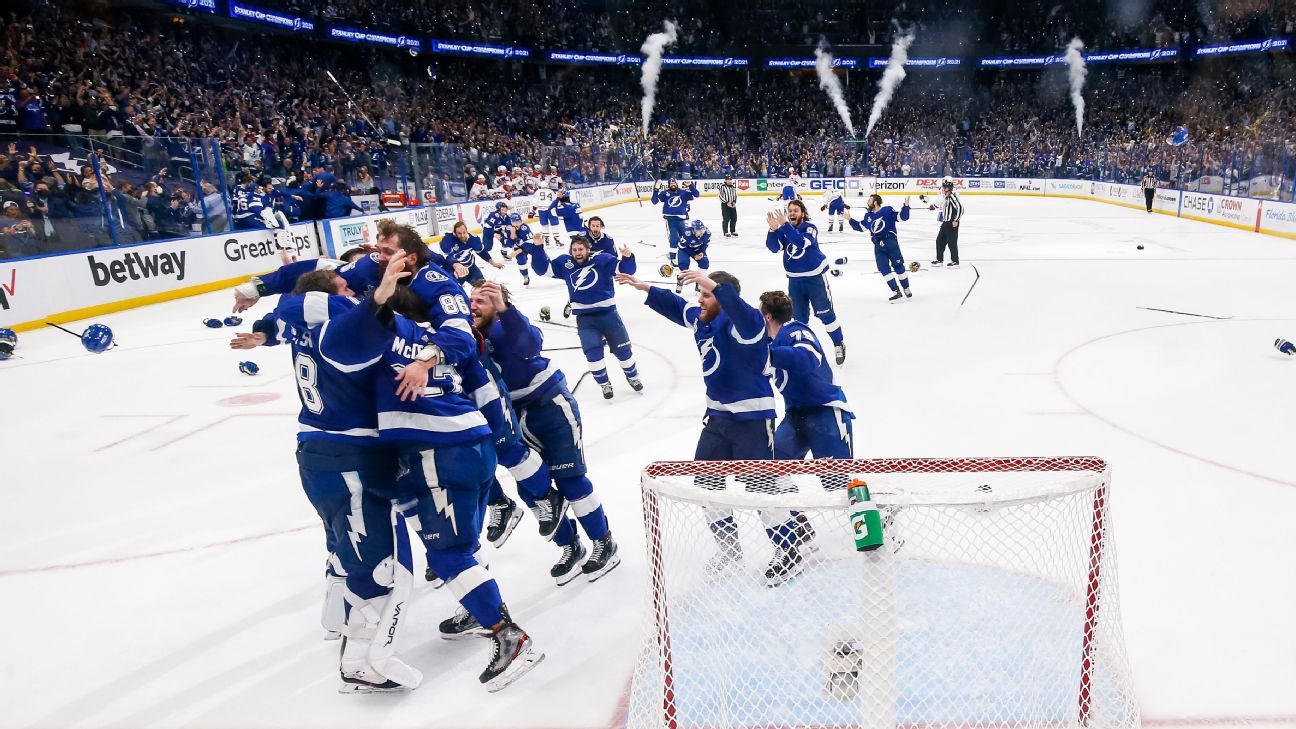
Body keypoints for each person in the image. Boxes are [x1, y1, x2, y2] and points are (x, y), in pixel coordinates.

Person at [337, 270, 545, 692]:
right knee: (457, 544)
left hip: (439, 451)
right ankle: (478, 607)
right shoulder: (437, 339)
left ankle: (509, 636)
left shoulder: (383, 335)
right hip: (472, 445)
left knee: (447, 554)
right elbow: (478, 378)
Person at [231, 265, 419, 693]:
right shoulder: (338, 325)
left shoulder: (302, 324)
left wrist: (263, 327)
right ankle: (360, 663)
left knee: (339, 540)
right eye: (343, 285)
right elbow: (328, 302)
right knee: (377, 560)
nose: (350, 287)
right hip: (349, 453)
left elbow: (291, 309)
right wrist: (373, 297)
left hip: (314, 450)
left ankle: (335, 617)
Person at [618, 268, 806, 586]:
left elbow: (745, 314)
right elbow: (678, 308)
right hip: (717, 420)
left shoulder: (744, 326)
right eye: (701, 295)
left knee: (761, 490)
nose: (700, 301)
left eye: (705, 295)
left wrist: (715, 287)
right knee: (706, 485)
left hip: (752, 422)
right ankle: (730, 550)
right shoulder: (702, 320)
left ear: (721, 296)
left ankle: (788, 551)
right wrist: (646, 288)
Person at [470, 281, 621, 584]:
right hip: (513, 415)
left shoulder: (508, 325)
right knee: (533, 490)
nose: (474, 305)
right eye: (471, 300)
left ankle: (605, 542)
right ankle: (570, 546)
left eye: (483, 301)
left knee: (570, 479)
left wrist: (505, 310)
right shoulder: (471, 337)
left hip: (550, 405)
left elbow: (529, 343)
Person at [523, 234, 643, 399]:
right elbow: (542, 269)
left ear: (588, 250)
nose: (577, 253)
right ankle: (604, 384)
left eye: (580, 249)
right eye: (574, 250)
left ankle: (633, 376)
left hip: (608, 313)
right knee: (592, 352)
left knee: (623, 350)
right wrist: (538, 247)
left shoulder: (602, 260)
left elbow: (626, 270)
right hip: (585, 318)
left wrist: (628, 257)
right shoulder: (566, 263)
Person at [759, 289, 854, 478]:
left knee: (837, 484)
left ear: (767, 317)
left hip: (825, 411)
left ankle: (882, 502)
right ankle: (793, 509)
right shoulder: (769, 344)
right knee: (770, 474)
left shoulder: (795, 330)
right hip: (795, 416)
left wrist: (769, 355)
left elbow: (809, 357)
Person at [764, 200, 846, 364]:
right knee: (799, 319)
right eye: (790, 211)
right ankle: (803, 348)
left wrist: (785, 225)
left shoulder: (809, 228)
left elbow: (801, 243)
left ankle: (838, 343)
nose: (792, 213)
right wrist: (773, 230)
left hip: (815, 279)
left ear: (803, 213)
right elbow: (773, 248)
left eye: (796, 210)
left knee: (826, 314)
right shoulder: (785, 230)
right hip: (795, 282)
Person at [847, 194, 913, 303]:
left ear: (875, 202)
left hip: (890, 241)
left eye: (869, 200)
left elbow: (902, 217)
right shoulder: (868, 216)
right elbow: (860, 227)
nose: (867, 202)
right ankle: (896, 292)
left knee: (898, 265)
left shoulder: (887, 210)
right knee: (883, 268)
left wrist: (905, 206)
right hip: (878, 245)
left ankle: (906, 288)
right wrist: (850, 219)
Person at [436, 221, 505, 284]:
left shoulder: (473, 239)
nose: (462, 235)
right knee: (452, 291)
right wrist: (448, 234)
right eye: (459, 233)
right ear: (455, 233)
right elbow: (446, 252)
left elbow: (481, 252)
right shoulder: (449, 240)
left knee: (483, 287)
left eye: (464, 232)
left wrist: (493, 263)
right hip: (454, 270)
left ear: (467, 231)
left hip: (470, 267)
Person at [651, 178, 697, 258]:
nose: (673, 185)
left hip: (683, 220)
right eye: (671, 183)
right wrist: (656, 189)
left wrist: (690, 185)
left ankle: (684, 254)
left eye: (674, 183)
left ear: (677, 184)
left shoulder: (683, 192)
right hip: (670, 220)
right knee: (674, 239)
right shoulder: (665, 193)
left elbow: (697, 195)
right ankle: (673, 257)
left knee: (685, 238)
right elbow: (654, 201)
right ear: (669, 185)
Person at [932, 179, 963, 267]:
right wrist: (933, 206)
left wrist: (956, 220)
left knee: (952, 242)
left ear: (947, 189)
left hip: (951, 223)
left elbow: (960, 208)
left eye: (944, 187)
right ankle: (939, 260)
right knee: (939, 241)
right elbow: (941, 205)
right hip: (945, 222)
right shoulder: (946, 197)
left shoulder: (952, 197)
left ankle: (955, 261)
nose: (942, 189)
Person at [674, 219, 711, 292]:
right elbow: (683, 247)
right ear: (694, 230)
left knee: (704, 263)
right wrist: (694, 255)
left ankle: (700, 283)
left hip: (698, 249)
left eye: (702, 229)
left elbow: (705, 244)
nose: (701, 232)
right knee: (683, 265)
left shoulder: (707, 233)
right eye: (699, 230)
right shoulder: (687, 233)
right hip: (685, 250)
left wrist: (702, 252)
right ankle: (680, 283)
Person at [533, 179, 560, 247]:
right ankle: (557, 240)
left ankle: (547, 240)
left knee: (544, 225)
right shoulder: (551, 191)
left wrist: (533, 210)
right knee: (554, 225)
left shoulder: (537, 191)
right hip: (551, 209)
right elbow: (555, 201)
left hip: (541, 210)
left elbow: (535, 202)